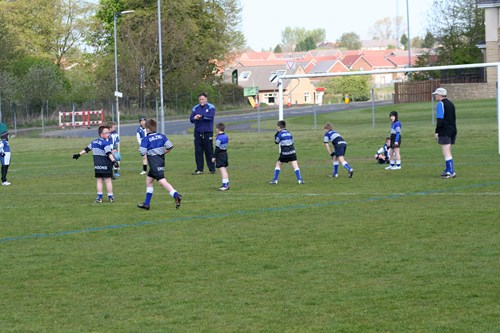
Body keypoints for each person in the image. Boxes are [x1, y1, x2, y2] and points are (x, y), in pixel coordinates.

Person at [137, 119, 182, 210]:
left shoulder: (146, 139)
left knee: (162, 181)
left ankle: (176, 195)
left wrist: (146, 152)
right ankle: (146, 204)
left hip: (154, 162)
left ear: (148, 129)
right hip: (161, 160)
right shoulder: (162, 136)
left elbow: (142, 152)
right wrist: (163, 152)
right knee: (149, 181)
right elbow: (170, 146)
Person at [73, 125, 119, 203]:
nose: (108, 134)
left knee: (99, 181)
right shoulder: (105, 143)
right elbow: (108, 153)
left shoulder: (94, 141)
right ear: (101, 134)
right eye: (106, 132)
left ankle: (99, 198)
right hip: (106, 164)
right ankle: (110, 197)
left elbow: (87, 149)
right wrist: (114, 161)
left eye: (108, 132)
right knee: (108, 181)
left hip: (97, 165)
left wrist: (79, 154)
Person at [269, 120, 304, 185]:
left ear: (279, 127)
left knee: (278, 164)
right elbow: (292, 142)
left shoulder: (280, 134)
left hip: (284, 153)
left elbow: (276, 142)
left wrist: (276, 134)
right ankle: (300, 180)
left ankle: (275, 180)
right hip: (292, 152)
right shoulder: (289, 133)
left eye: (277, 127)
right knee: (295, 164)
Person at [433, 87, 457, 178]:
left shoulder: (440, 104)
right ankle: (447, 170)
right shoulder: (451, 104)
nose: (435, 96)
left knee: (446, 151)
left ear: (439, 95)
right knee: (448, 150)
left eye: (436, 94)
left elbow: (440, 119)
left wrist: (437, 131)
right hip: (453, 130)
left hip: (445, 130)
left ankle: (451, 171)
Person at [189, 92, 215, 175]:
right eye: (200, 99)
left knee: (209, 151)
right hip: (198, 132)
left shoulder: (211, 107)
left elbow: (210, 116)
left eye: (203, 99)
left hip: (208, 132)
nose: (201, 101)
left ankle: (212, 168)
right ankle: (199, 169)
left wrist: (201, 116)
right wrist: (195, 117)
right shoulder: (195, 108)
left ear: (206, 99)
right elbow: (191, 119)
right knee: (198, 151)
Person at [211, 122, 230, 191]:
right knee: (225, 169)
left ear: (218, 129)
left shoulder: (219, 138)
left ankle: (225, 186)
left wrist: (214, 157)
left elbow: (217, 148)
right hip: (225, 154)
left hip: (220, 155)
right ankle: (226, 183)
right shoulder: (226, 136)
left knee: (222, 170)